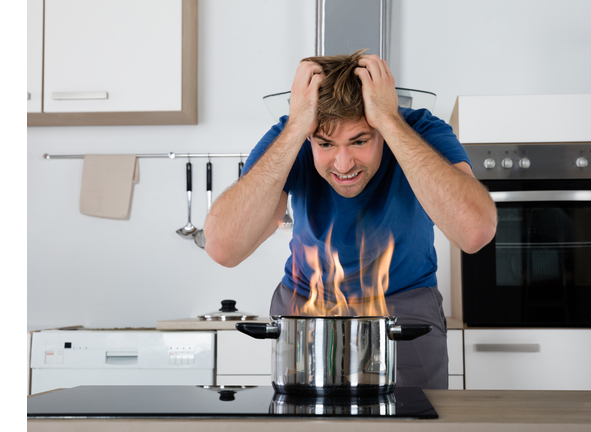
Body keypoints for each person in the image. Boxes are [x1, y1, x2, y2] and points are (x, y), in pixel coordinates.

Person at [204, 49, 497, 389]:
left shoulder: (419, 129)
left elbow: (475, 232)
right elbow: (224, 247)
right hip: (307, 307)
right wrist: (298, 126)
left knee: (413, 422)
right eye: (326, 144)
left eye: (359, 141)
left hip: (403, 306)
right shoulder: (294, 135)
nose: (343, 165)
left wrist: (389, 121)